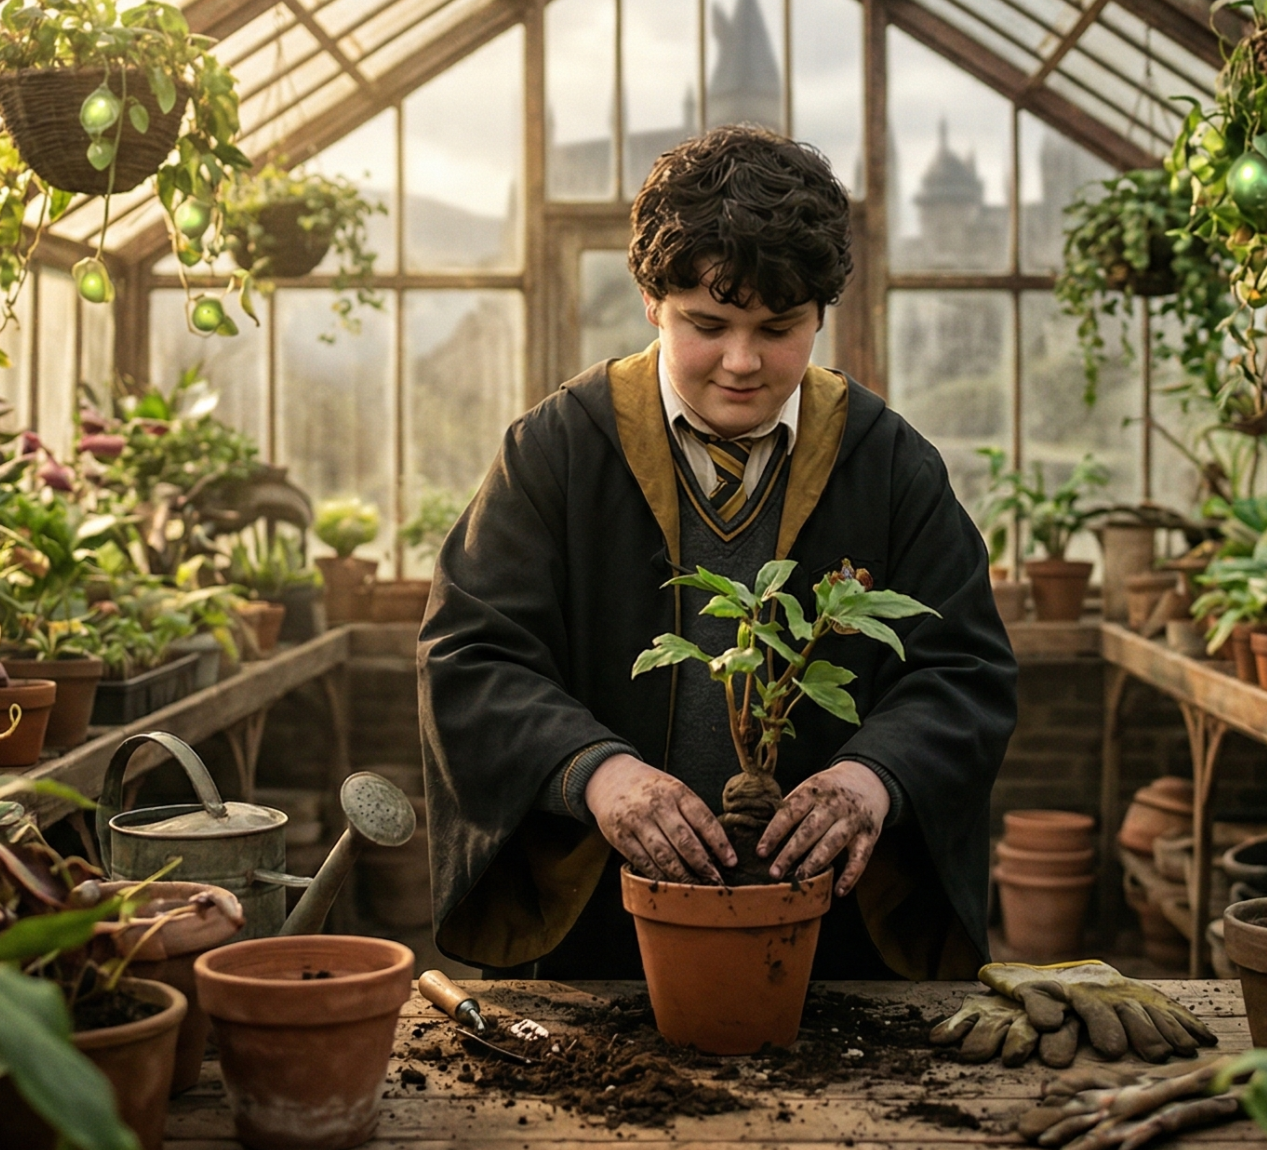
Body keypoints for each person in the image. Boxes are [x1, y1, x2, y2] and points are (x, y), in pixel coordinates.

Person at [418, 125, 1017, 979]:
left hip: (832, 945)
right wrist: (598, 773)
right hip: (602, 939)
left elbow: (965, 668)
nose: (743, 362)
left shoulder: (886, 462)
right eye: (709, 323)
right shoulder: (560, 448)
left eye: (780, 327)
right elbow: (470, 653)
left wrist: (874, 779)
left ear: (821, 313)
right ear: (652, 300)